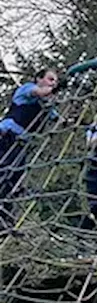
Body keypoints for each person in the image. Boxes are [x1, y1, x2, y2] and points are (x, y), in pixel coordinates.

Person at [0, 68, 60, 224]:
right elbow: (40, 92)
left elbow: (58, 119)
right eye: (50, 79)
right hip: (7, 136)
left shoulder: (45, 106)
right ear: (39, 79)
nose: (53, 83)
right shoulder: (27, 89)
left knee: (14, 178)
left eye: (55, 81)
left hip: (21, 143)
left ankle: (4, 215)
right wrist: (53, 89)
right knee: (4, 171)